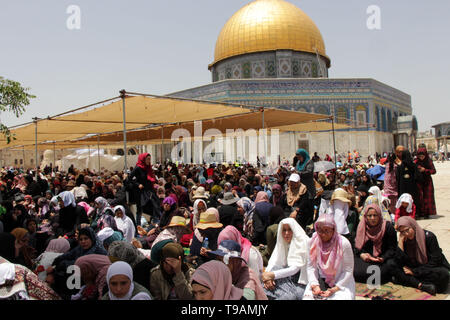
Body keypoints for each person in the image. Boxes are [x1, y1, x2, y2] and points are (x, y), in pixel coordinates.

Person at [389, 216, 450, 295]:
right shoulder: (404, 239)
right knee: (392, 266)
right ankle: (422, 285)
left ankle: (413, 282)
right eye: (402, 232)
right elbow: (398, 262)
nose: (406, 234)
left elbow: (435, 262)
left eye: (407, 230)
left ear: (413, 226)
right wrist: (400, 243)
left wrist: (415, 272)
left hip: (429, 269)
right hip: (414, 268)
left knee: (443, 274)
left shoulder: (429, 237)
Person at [303, 214, 355, 300]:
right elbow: (311, 267)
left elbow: (348, 270)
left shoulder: (343, 243)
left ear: (333, 230)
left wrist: (335, 288)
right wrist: (315, 284)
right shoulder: (312, 242)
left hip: (341, 282)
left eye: (326, 231)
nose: (322, 234)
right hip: (320, 281)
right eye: (320, 230)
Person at [262, 218, 310, 300]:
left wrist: (272, 275)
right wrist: (267, 278)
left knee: (295, 295)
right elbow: (274, 262)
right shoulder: (284, 243)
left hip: (300, 280)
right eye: (284, 230)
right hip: (285, 277)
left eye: (290, 230)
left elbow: (295, 269)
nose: (286, 233)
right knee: (266, 287)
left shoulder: (303, 242)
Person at [353, 204, 397, 284]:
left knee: (386, 268)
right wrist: (362, 254)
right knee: (352, 268)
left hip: (382, 260)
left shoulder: (387, 227)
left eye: (375, 215)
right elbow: (357, 247)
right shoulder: (362, 226)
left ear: (379, 215)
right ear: (366, 216)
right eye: (369, 216)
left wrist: (383, 258)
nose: (372, 218)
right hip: (366, 260)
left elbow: (392, 248)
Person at [129, 153, 159, 226]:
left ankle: (156, 222)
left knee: (155, 204)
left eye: (150, 159)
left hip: (149, 190)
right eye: (148, 159)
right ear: (143, 159)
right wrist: (138, 184)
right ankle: (138, 226)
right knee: (140, 209)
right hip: (140, 191)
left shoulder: (148, 168)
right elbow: (129, 178)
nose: (149, 161)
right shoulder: (138, 168)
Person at [414, 148, 437, 219]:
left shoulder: (428, 161)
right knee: (420, 197)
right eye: (420, 155)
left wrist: (425, 170)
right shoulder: (415, 162)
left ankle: (428, 212)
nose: (421, 157)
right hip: (418, 181)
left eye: (423, 155)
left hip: (427, 181)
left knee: (428, 197)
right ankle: (421, 212)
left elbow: (433, 171)